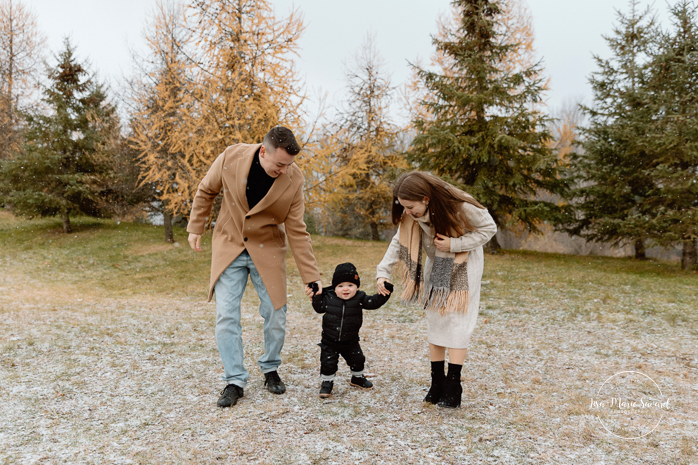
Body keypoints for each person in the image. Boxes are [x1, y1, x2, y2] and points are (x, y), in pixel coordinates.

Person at [187, 126, 322, 408]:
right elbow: (206, 190)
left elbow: (297, 229)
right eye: (280, 164)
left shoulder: (294, 179)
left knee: (276, 313)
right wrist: (196, 227)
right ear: (264, 151)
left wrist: (311, 276)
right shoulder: (230, 157)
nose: (285, 170)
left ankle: (270, 367)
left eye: (290, 165)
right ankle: (234, 380)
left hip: (269, 249)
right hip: (230, 245)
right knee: (226, 316)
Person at [376, 171, 497, 408]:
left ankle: (453, 385)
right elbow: (398, 240)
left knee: (456, 320)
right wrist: (383, 271)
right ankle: (437, 382)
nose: (408, 212)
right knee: (436, 318)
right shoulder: (412, 213)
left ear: (426, 198)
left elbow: (488, 228)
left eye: (411, 207)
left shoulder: (458, 206)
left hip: (463, 265)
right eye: (404, 207)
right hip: (438, 263)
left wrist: (455, 244)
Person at [310, 263, 393, 398]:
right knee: (328, 362)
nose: (345, 289)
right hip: (329, 341)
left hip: (351, 341)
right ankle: (327, 383)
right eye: (340, 286)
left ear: (357, 286)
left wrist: (385, 293)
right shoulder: (328, 298)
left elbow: (373, 302)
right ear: (334, 287)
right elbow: (318, 307)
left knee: (358, 359)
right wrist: (316, 294)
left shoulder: (360, 298)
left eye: (350, 285)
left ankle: (357, 378)